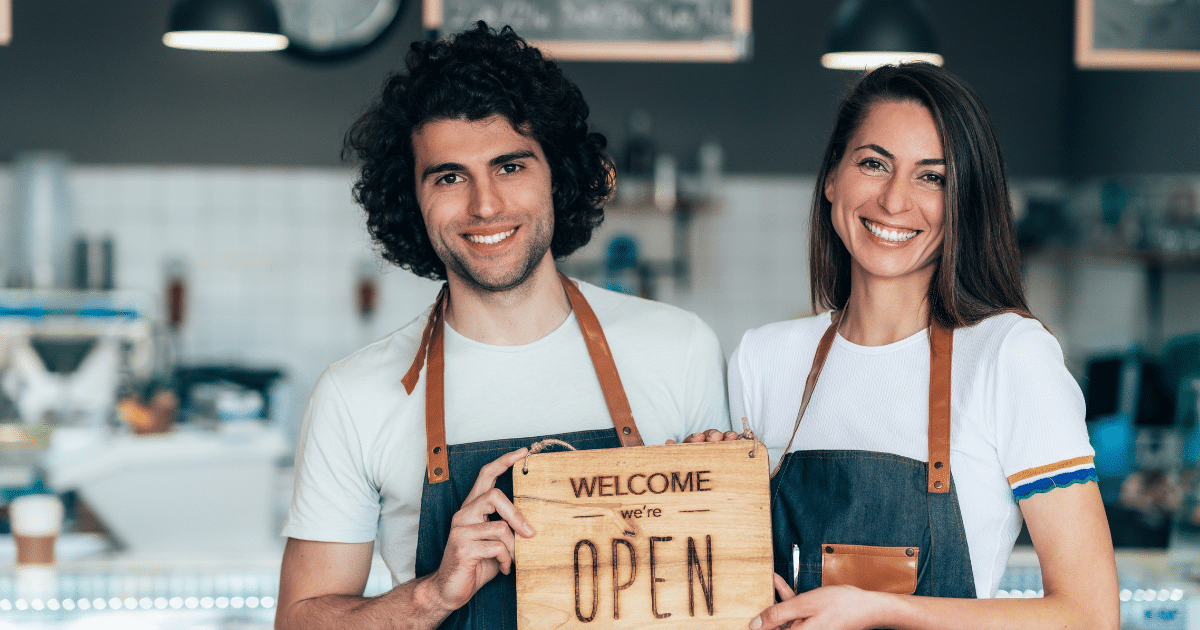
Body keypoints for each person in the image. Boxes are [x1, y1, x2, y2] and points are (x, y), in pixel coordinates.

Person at [274, 22, 730, 630]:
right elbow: (299, 621)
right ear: (411, 199)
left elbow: (726, 597)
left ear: (556, 176)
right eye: (449, 176)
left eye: (510, 166)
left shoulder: (680, 350)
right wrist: (431, 594)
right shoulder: (356, 395)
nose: (484, 205)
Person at [727, 62, 1119, 630]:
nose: (893, 201)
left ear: (965, 200)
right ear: (833, 178)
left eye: (931, 177)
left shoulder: (1010, 356)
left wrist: (882, 609)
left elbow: (1090, 614)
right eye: (873, 164)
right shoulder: (762, 360)